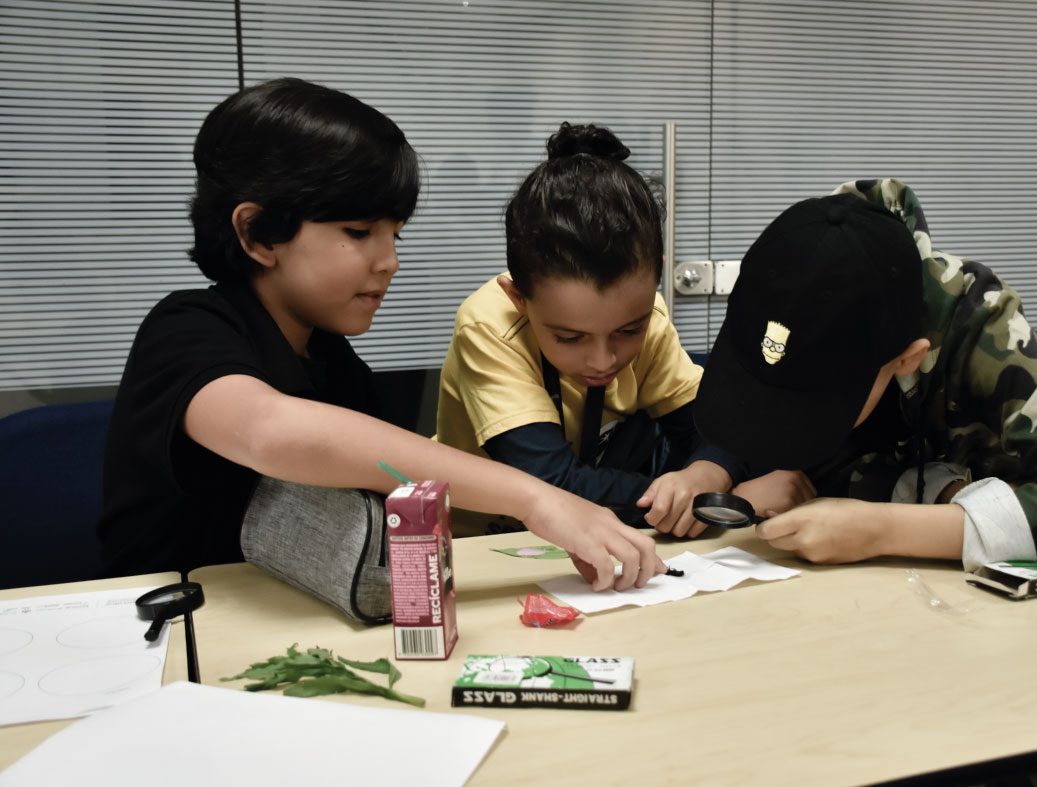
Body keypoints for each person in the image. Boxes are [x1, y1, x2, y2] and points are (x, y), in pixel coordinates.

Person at [98, 79, 663, 592]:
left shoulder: (336, 363)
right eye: (359, 231)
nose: (389, 260)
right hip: (171, 624)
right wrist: (538, 499)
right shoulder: (186, 329)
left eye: (394, 233)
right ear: (257, 232)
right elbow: (272, 432)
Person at [694, 178, 1037, 572]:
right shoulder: (800, 270)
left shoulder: (985, 331)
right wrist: (775, 473)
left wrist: (883, 530)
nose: (783, 419)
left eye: (812, 405)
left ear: (908, 359)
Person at [436, 122, 805, 537]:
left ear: (656, 278)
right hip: (483, 544)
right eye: (569, 338)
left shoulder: (652, 318)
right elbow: (550, 485)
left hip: (603, 535)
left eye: (629, 331)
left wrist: (707, 473)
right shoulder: (488, 326)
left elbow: (718, 430)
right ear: (517, 297)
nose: (603, 360)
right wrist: (713, 503)